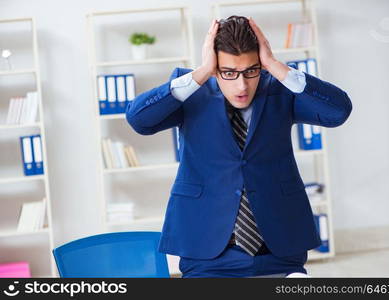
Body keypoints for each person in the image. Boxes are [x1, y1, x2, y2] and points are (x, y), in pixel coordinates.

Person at [126, 16, 352, 278]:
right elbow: (139, 121)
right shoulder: (191, 89)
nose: (241, 85)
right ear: (215, 66)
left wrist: (275, 66)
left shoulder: (280, 87)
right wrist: (201, 73)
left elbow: (338, 112)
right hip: (207, 253)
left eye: (251, 71)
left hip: (279, 252)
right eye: (229, 73)